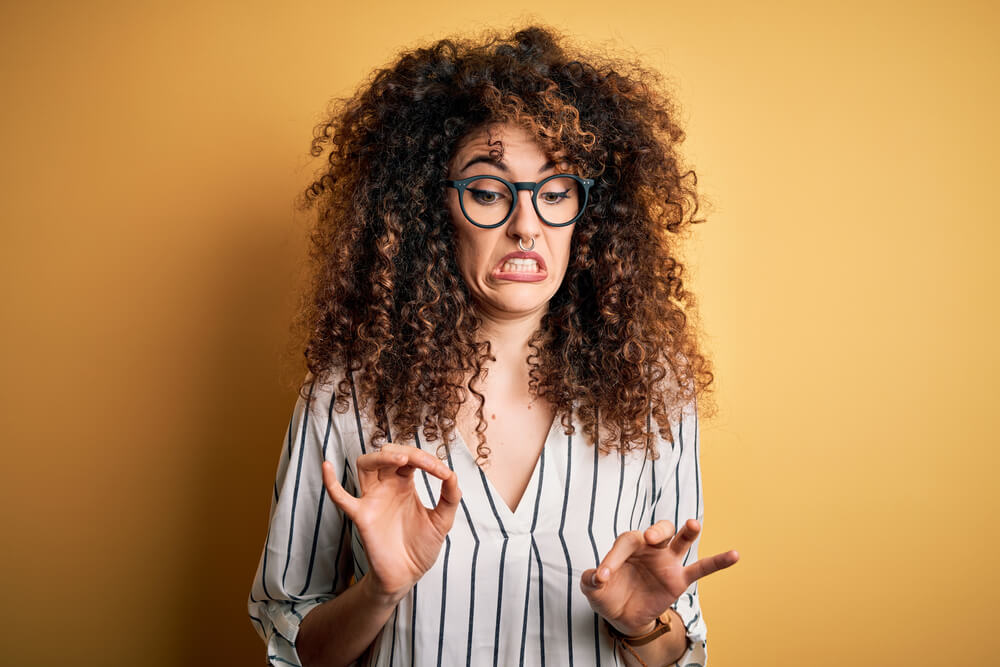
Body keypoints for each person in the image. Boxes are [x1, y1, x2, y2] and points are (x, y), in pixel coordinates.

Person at [248, 24, 739, 667]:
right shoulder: (346, 396)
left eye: (556, 192)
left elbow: (684, 651)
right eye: (487, 191)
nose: (526, 225)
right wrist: (380, 591)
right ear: (430, 209)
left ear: (588, 215)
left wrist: (640, 627)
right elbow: (294, 641)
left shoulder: (653, 391)